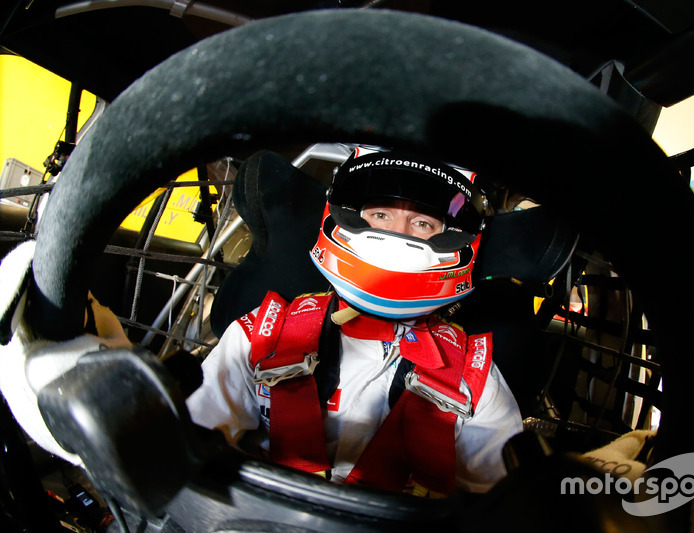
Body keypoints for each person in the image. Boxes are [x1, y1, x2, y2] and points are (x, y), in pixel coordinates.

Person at [186, 146, 522, 495]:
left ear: (452, 240)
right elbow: (182, 450)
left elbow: (500, 509)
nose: (398, 234)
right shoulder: (263, 335)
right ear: (347, 216)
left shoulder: (474, 380)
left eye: (422, 222)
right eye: (380, 214)